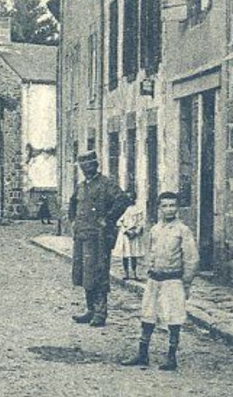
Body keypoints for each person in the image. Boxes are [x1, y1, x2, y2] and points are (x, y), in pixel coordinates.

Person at [121, 193, 200, 370]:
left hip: (173, 280)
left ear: (177, 208)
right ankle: (143, 354)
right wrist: (148, 270)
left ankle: (171, 357)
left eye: (172, 205)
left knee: (174, 317)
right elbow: (150, 252)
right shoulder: (155, 230)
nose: (169, 209)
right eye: (165, 206)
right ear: (159, 208)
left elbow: (191, 258)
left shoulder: (182, 230)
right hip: (154, 278)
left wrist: (186, 283)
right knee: (148, 315)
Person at [70, 150, 134, 327]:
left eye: (89, 165)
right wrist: (74, 222)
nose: (86, 168)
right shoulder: (81, 186)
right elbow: (73, 203)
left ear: (96, 165)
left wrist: (108, 219)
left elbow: (122, 200)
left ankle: (100, 312)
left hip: (99, 238)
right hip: (82, 236)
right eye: (83, 166)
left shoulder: (106, 184)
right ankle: (90, 310)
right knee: (84, 274)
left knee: (98, 273)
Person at [112, 191, 147, 279]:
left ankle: (135, 274)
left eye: (132, 197)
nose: (130, 199)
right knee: (125, 255)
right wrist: (126, 231)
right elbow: (119, 222)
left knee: (133, 255)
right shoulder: (124, 209)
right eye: (128, 198)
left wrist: (136, 232)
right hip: (125, 235)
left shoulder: (139, 209)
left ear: (135, 198)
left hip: (134, 235)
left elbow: (141, 222)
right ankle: (126, 274)